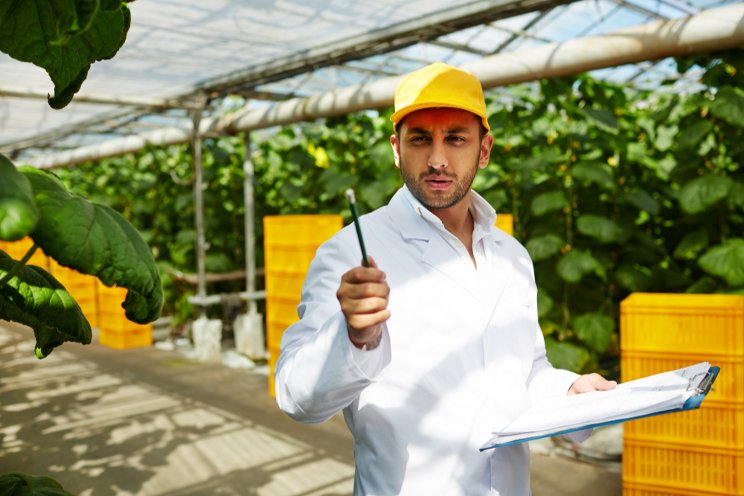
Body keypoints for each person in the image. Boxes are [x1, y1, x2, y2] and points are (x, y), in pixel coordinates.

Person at [275, 62, 616, 495]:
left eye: (456, 138)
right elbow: (295, 397)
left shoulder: (511, 256)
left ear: (485, 149)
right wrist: (353, 337)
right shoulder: (349, 254)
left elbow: (524, 371)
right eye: (420, 139)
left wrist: (568, 389)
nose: (437, 159)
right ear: (397, 149)